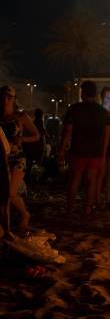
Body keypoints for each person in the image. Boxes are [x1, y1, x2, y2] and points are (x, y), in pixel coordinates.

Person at [59, 81, 110, 214]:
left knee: (75, 179)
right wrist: (103, 153)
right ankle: (87, 209)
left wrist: (61, 149)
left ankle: (70, 208)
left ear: (83, 93)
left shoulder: (75, 109)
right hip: (95, 151)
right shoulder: (102, 112)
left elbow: (68, 131)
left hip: (78, 150)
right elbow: (107, 136)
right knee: (91, 180)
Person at [0, 86, 40, 231]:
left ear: (13, 99)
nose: (5, 100)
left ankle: (25, 215)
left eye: (9, 97)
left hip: (17, 158)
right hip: (2, 157)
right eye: (3, 97)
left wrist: (22, 139)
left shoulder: (20, 116)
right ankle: (6, 224)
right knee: (4, 192)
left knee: (10, 193)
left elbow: (36, 135)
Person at [23, 108, 48, 182]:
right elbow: (43, 135)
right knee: (37, 163)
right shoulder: (39, 123)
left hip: (30, 146)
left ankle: (27, 177)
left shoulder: (33, 123)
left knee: (29, 163)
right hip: (37, 147)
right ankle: (34, 177)